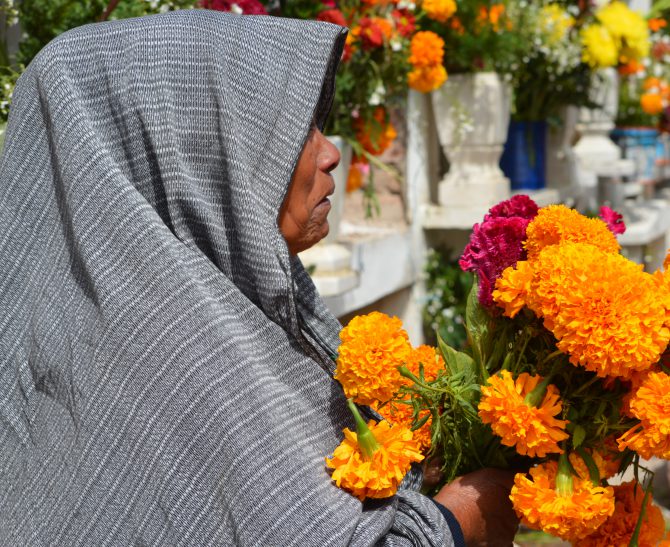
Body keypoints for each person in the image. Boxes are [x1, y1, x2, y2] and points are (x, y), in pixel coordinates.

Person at [0, 9, 517, 546]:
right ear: (194, 159)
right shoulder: (176, 353)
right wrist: (462, 518)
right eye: (290, 132)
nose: (332, 152)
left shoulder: (201, 306)